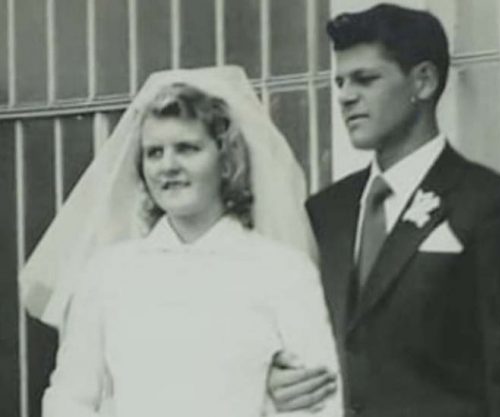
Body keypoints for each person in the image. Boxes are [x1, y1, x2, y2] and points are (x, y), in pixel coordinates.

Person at [268, 4, 500, 417]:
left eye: (366, 79)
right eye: (340, 82)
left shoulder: (495, 207)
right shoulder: (326, 212)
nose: (345, 96)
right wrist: (277, 379)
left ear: (423, 81)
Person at [20, 67, 341, 417]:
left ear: (226, 160)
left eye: (187, 149)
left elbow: (320, 402)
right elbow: (69, 398)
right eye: (154, 153)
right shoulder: (108, 272)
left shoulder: (282, 270)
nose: (167, 166)